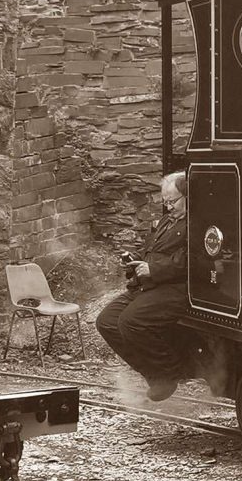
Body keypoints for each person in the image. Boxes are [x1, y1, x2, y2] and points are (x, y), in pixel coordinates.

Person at [96, 171, 190, 401]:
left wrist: (154, 269)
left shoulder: (197, 224)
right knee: (107, 321)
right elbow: (155, 253)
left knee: (131, 322)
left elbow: (191, 261)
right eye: (165, 202)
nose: (168, 207)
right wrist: (135, 259)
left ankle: (169, 371)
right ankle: (154, 373)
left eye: (173, 201)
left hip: (178, 288)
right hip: (151, 284)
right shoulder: (170, 220)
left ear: (188, 195)